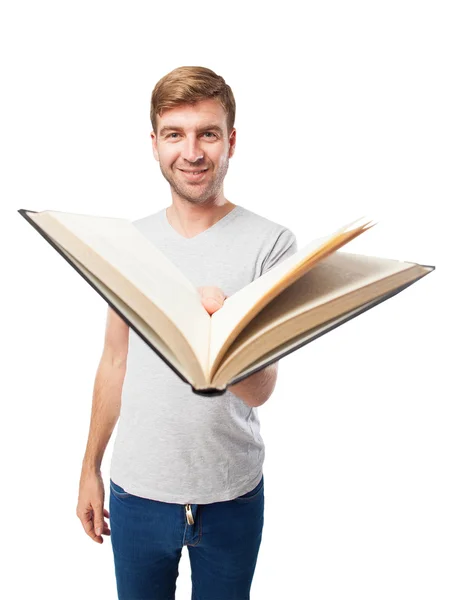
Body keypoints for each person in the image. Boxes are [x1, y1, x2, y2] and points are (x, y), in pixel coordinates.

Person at [76, 66, 297, 600]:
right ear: (154, 144)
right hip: (137, 493)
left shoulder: (272, 245)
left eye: (208, 133)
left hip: (231, 494)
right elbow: (114, 361)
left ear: (231, 141)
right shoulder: (128, 243)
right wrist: (89, 466)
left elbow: (261, 390)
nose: (192, 152)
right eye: (175, 134)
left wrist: (223, 332)